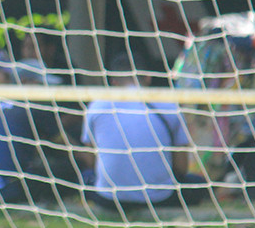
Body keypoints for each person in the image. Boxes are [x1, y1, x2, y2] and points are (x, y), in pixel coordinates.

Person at [82, 53, 207, 212]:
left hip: (109, 199)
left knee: (84, 176)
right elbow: (181, 167)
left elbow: (90, 156)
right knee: (197, 183)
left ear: (113, 82)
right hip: (159, 198)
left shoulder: (97, 106)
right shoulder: (168, 105)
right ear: (148, 78)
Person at [0, 50, 64, 204]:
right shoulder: (31, 107)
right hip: (6, 193)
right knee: (65, 169)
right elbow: (66, 146)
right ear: (25, 82)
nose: (47, 91)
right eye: (41, 84)